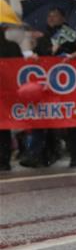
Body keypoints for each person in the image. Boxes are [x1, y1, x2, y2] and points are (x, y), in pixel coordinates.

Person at [20, 7, 76, 168]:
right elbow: (39, 54)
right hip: (46, 84)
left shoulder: (71, 34)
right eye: (49, 15)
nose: (50, 18)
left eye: (54, 15)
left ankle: (75, 156)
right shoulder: (43, 35)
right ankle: (42, 155)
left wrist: (73, 55)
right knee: (43, 118)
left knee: (70, 122)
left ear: (63, 17)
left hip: (66, 85)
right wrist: (36, 55)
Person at [0, 24, 23, 171]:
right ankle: (4, 160)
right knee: (4, 127)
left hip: (5, 90)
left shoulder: (11, 47)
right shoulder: (12, 47)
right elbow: (20, 67)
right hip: (8, 91)